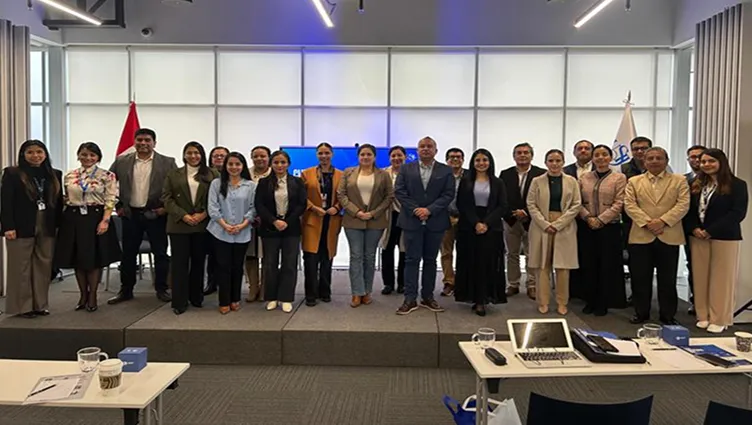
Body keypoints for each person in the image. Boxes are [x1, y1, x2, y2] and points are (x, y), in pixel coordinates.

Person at [108, 128, 177, 304]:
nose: (143, 143)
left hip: (156, 215)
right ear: (134, 142)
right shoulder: (121, 161)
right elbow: (108, 184)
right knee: (128, 255)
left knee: (160, 253)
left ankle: (162, 289)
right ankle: (126, 290)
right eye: (139, 140)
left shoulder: (168, 162)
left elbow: (175, 189)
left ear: (154, 143)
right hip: (130, 214)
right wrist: (118, 206)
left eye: (147, 140)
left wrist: (165, 209)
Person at [684, 148, 748, 333]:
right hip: (698, 236)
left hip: (724, 236)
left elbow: (737, 213)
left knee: (721, 279)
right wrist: (694, 228)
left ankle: (719, 318)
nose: (706, 165)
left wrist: (711, 231)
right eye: (703, 162)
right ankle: (703, 315)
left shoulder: (737, 185)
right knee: (700, 277)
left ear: (721, 162)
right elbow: (688, 210)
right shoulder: (696, 184)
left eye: (711, 161)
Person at [624, 147, 689, 325]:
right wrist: (648, 223)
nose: (654, 161)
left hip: (669, 234)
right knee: (640, 278)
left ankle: (667, 315)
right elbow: (629, 205)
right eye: (650, 158)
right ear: (644, 162)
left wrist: (662, 221)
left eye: (658, 158)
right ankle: (641, 313)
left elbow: (683, 204)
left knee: (667, 279)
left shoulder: (679, 180)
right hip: (641, 235)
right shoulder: (634, 181)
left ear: (666, 161)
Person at [55, 142, 120, 313]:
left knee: (93, 259)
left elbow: (110, 199)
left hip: (95, 218)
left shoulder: (107, 175)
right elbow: (66, 197)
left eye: (92, 155)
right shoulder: (70, 175)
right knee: (77, 259)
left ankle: (93, 296)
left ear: (98, 157)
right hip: (73, 218)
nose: (88, 158)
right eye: (84, 154)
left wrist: (105, 221)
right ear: (78, 156)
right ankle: (83, 295)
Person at [1, 140, 63, 318]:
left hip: (47, 224)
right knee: (20, 266)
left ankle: (40, 305)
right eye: (30, 152)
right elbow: (6, 201)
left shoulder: (54, 174)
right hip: (20, 225)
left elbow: (58, 203)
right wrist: (8, 226)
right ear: (23, 154)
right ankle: (22, 307)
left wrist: (59, 226)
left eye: (39, 152)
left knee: (43, 265)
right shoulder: (12, 173)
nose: (35, 156)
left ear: (45, 154)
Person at [394, 136, 455, 315]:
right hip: (411, 220)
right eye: (422, 146)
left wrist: (429, 210)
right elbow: (399, 191)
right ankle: (410, 299)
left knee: (430, 260)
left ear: (436, 150)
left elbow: (448, 194)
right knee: (411, 260)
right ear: (417, 150)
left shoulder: (446, 170)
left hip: (435, 221)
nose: (426, 149)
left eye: (429, 146)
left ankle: (428, 297)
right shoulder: (406, 169)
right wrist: (416, 209)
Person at [162, 142, 218, 315]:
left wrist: (204, 214)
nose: (193, 156)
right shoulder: (173, 174)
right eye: (189, 153)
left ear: (202, 155)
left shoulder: (212, 174)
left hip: (202, 224)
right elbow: (166, 198)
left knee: (198, 263)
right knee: (179, 264)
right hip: (179, 225)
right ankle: (179, 301)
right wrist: (183, 215)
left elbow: (217, 198)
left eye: (197, 153)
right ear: (184, 155)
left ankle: (196, 297)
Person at [338, 144, 394, 307]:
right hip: (353, 220)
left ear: (374, 157)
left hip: (375, 221)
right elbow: (341, 195)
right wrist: (357, 212)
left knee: (369, 257)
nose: (365, 157)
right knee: (356, 256)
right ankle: (357, 292)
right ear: (358, 156)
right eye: (362, 154)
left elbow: (389, 197)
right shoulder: (348, 173)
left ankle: (367, 292)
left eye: (369, 154)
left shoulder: (383, 175)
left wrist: (374, 213)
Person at [527, 149, 581, 315]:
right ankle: (543, 302)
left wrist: (558, 224)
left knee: (563, 267)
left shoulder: (572, 181)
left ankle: (562, 302)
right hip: (541, 226)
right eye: (551, 160)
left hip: (564, 226)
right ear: (545, 163)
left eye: (558, 160)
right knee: (542, 266)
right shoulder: (537, 181)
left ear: (563, 162)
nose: (554, 164)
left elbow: (576, 205)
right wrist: (545, 224)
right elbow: (531, 204)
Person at [454, 149, 508, 316]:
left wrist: (486, 223)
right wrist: (476, 222)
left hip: (491, 227)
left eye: (485, 160)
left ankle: (483, 299)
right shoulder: (466, 181)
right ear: (473, 162)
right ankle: (473, 297)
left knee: (487, 263)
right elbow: (462, 204)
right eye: (478, 160)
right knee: (471, 262)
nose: (481, 163)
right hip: (469, 226)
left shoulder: (498, 182)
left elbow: (502, 206)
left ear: (490, 162)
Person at [578, 145, 627, 316]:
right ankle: (590, 300)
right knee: (589, 264)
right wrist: (588, 217)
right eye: (597, 155)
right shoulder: (584, 177)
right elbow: (577, 202)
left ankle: (603, 302)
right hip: (587, 226)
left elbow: (620, 202)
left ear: (610, 157)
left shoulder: (619, 178)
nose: (600, 158)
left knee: (607, 265)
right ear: (592, 158)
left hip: (609, 227)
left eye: (604, 154)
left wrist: (601, 219)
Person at [255, 150, 306, 313]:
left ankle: (286, 297)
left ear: (288, 164)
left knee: (289, 263)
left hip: (291, 228)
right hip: (270, 228)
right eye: (276, 162)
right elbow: (259, 205)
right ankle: (271, 297)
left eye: (283, 162)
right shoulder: (264, 182)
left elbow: (302, 204)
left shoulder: (297, 182)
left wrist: (286, 222)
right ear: (271, 164)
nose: (279, 165)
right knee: (270, 264)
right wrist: (274, 221)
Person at [207, 152, 256, 314]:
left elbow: (253, 208)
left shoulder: (250, 185)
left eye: (237, 164)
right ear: (225, 166)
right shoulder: (216, 183)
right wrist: (225, 225)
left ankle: (235, 298)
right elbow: (212, 208)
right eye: (230, 164)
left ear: (243, 166)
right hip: (220, 232)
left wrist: (242, 225)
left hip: (243, 232)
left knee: (237, 266)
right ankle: (224, 300)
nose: (234, 167)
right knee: (223, 267)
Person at [499, 143, 545, 299]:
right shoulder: (505, 174)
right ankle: (513, 284)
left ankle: (532, 284)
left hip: (532, 220)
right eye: (519, 152)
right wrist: (512, 213)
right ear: (514, 156)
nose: (522, 155)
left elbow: (542, 198)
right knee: (511, 254)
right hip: (510, 220)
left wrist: (526, 212)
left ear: (532, 155)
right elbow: (501, 197)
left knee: (532, 254)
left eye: (526, 152)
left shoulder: (540, 174)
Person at [301, 143, 343, 307]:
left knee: (327, 258)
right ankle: (310, 295)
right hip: (312, 220)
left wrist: (337, 207)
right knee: (311, 259)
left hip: (331, 220)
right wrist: (313, 207)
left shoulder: (341, 175)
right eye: (320, 153)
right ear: (316, 155)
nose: (324, 156)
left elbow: (344, 196)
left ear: (332, 154)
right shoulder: (306, 173)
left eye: (326, 153)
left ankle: (325, 291)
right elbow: (300, 196)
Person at [563, 139, 594, 300]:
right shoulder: (565, 171)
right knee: (572, 255)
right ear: (574, 152)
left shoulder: (601, 169)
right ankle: (574, 291)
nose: (583, 151)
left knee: (591, 256)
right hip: (570, 219)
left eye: (587, 148)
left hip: (595, 219)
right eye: (579, 148)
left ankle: (591, 290)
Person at [245, 145, 272, 302]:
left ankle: (265, 288)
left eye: (263, 156)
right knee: (250, 255)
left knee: (268, 256)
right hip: (247, 221)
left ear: (268, 158)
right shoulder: (245, 174)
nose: (259, 159)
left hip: (268, 221)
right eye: (256, 156)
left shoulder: (275, 174)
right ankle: (253, 287)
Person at [379, 146, 407, 295]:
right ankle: (388, 283)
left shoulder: (411, 173)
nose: (396, 158)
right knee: (387, 250)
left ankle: (403, 283)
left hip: (407, 216)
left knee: (405, 251)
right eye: (393, 156)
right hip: (388, 216)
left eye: (399, 155)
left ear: (405, 157)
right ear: (389, 158)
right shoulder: (383, 173)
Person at [439, 148, 465, 297]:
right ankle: (449, 282)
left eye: (458, 157)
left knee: (464, 251)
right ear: (446, 160)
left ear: (463, 159)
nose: (455, 159)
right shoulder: (440, 176)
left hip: (464, 218)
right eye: (452, 157)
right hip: (445, 217)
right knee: (446, 252)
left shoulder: (470, 176)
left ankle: (462, 281)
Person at [204, 146, 230, 296]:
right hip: (209, 221)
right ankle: (211, 283)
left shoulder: (235, 174)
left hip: (230, 221)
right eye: (216, 156)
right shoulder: (204, 174)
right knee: (212, 254)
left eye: (222, 156)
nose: (219, 158)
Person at [683, 145, 706, 315]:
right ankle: (696, 301)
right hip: (691, 230)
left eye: (700, 157)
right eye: (692, 157)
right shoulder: (683, 180)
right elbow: (685, 207)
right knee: (693, 266)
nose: (696, 160)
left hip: (715, 232)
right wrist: (693, 228)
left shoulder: (719, 180)